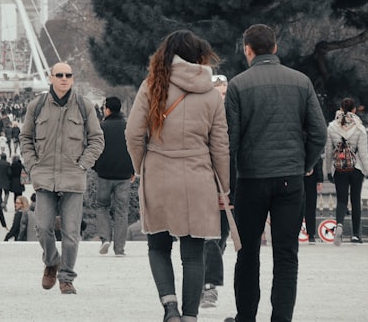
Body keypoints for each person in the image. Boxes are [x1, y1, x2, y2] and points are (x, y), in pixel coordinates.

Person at [124, 30, 229, 322]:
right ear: (199, 56)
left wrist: (140, 166)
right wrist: (224, 187)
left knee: (158, 246)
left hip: (158, 171)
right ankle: (191, 315)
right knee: (193, 253)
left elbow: (133, 134)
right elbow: (220, 146)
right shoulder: (210, 94)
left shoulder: (152, 85)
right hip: (198, 176)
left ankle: (170, 308)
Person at [223, 24, 325, 322]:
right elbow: (318, 133)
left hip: (252, 180)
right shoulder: (301, 82)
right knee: (286, 254)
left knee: (248, 252)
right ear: (276, 48)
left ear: (248, 50)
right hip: (290, 179)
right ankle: (281, 317)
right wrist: (304, 164)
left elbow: (231, 140)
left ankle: (246, 317)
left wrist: (229, 183)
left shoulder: (238, 85)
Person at [20, 61, 103, 295]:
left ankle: (66, 277)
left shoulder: (84, 106)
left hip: (73, 177)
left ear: (73, 78)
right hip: (44, 176)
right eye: (59, 75)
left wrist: (83, 164)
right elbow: (25, 137)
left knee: (71, 232)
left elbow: (97, 139)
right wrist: (33, 165)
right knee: (43, 227)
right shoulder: (36, 106)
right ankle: (51, 261)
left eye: (68, 75)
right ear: (51, 78)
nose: (64, 78)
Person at [324, 98, 368, 245]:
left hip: (339, 168)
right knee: (355, 200)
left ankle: (339, 224)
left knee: (341, 200)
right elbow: (364, 154)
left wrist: (328, 171)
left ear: (340, 108)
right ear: (354, 110)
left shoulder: (332, 127)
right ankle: (356, 235)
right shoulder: (360, 128)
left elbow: (328, 152)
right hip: (356, 168)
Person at [202, 75, 232, 308]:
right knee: (209, 237)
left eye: (224, 94)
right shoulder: (201, 117)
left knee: (220, 237)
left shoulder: (235, 119)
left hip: (229, 186)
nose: (221, 98)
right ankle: (208, 285)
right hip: (203, 183)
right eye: (218, 93)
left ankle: (206, 279)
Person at [93, 95, 134, 257]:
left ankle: (105, 238)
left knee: (102, 206)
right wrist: (133, 170)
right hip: (124, 175)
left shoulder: (101, 127)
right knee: (121, 211)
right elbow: (135, 148)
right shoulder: (128, 127)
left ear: (107, 109)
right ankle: (120, 249)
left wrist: (96, 167)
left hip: (104, 174)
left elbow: (94, 148)